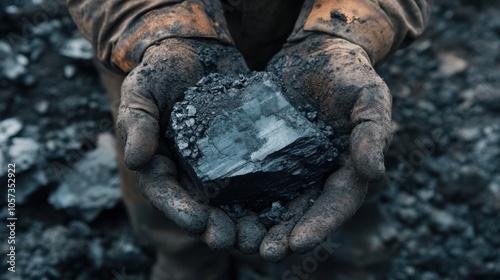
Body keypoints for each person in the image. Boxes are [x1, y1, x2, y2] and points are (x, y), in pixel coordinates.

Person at [66, 0, 433, 279]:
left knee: (357, 143)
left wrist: (345, 32)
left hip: (321, 39)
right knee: (153, 157)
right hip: (150, 44)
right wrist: (152, 27)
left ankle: (354, 253)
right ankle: (185, 261)